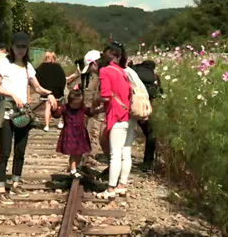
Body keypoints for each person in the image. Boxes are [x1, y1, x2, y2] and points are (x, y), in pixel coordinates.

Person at [0, 32, 58, 204]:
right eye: (18, 46)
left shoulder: (27, 66)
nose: (20, 50)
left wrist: (49, 94)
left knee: (20, 150)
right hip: (7, 112)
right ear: (12, 46)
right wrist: (12, 94)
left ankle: (16, 183)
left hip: (23, 114)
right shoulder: (4, 64)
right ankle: (1, 187)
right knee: (5, 151)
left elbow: (37, 87)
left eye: (23, 47)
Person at [95, 42, 135, 200]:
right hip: (129, 116)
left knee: (115, 154)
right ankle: (122, 186)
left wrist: (96, 100)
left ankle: (111, 189)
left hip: (117, 116)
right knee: (126, 152)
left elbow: (105, 95)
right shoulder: (123, 71)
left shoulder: (105, 71)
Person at [52, 89, 103, 178]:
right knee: (73, 152)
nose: (76, 105)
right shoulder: (65, 107)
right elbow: (57, 115)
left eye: (79, 103)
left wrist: (94, 108)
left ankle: (76, 167)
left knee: (80, 151)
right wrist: (54, 109)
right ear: (70, 101)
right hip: (70, 132)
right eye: (75, 103)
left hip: (80, 132)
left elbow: (90, 113)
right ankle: (73, 170)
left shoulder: (81, 107)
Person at [128, 60, 163, 171]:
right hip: (144, 110)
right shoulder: (154, 77)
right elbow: (158, 93)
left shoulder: (133, 71)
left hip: (131, 108)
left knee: (127, 133)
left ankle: (118, 159)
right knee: (151, 134)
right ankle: (147, 163)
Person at [35, 52, 67, 132]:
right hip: (57, 91)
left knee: (47, 108)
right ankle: (60, 123)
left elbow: (36, 78)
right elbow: (62, 79)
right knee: (59, 107)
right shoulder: (58, 67)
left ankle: (46, 125)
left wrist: (42, 88)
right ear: (53, 58)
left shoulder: (41, 67)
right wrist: (61, 89)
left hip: (46, 91)